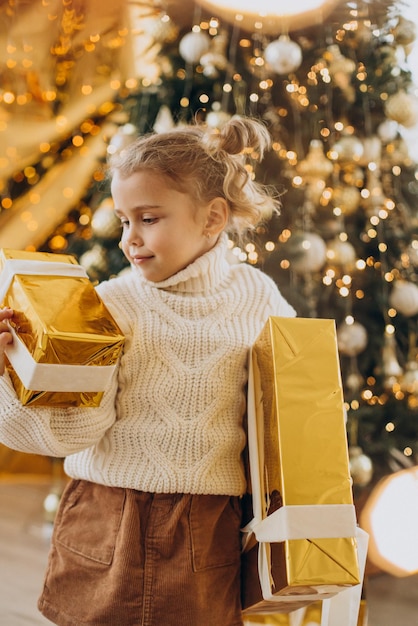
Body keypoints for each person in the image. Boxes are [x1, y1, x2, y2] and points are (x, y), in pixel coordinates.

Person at [0, 116, 295, 626]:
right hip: (108, 517)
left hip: (205, 528)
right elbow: (76, 430)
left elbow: (290, 401)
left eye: (149, 218)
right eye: (123, 220)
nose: (130, 239)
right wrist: (12, 372)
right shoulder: (110, 304)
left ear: (213, 218)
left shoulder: (259, 297)